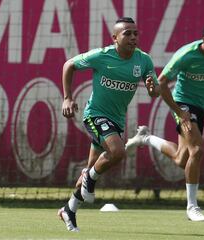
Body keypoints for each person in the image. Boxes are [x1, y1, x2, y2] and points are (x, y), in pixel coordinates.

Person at [126, 22, 204, 222]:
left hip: (201, 108)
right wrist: (179, 111)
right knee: (198, 151)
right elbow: (162, 82)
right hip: (183, 105)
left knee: (181, 160)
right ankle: (192, 207)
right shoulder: (185, 55)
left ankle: (145, 138)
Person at [58, 17, 158, 232]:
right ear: (115, 38)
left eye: (135, 33)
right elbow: (69, 65)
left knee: (91, 170)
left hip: (117, 120)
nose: (133, 37)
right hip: (95, 115)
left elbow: (155, 91)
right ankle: (89, 181)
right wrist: (67, 97)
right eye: (127, 33)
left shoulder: (144, 61)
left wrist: (152, 88)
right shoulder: (102, 56)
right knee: (118, 151)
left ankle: (69, 209)